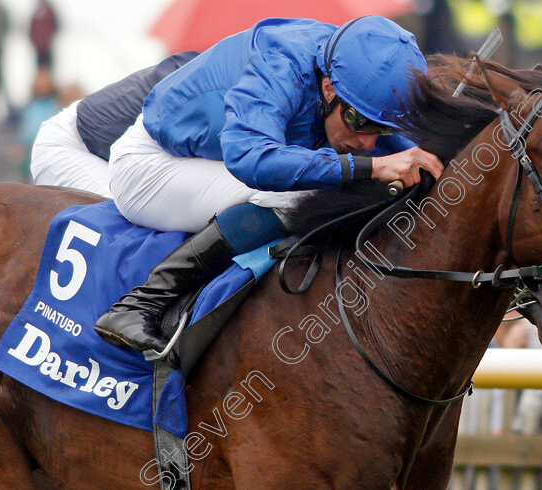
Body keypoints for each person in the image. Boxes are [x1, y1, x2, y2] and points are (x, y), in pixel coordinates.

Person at [94, 17, 444, 352]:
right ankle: (142, 303)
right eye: (357, 121)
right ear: (328, 88)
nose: (367, 142)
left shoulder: (355, 72)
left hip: (206, 160)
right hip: (150, 166)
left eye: (380, 130)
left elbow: (409, 151)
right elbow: (251, 158)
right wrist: (371, 166)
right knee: (302, 195)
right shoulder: (282, 64)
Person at [30, 51, 198, 198]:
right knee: (127, 213)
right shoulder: (190, 81)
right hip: (68, 146)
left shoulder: (199, 71)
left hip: (92, 144)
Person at [30, 0, 58, 69]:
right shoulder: (36, 11)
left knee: (47, 67)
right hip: (38, 46)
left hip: (47, 46)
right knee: (39, 67)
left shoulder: (49, 10)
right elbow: (32, 28)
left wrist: (48, 38)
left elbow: (55, 26)